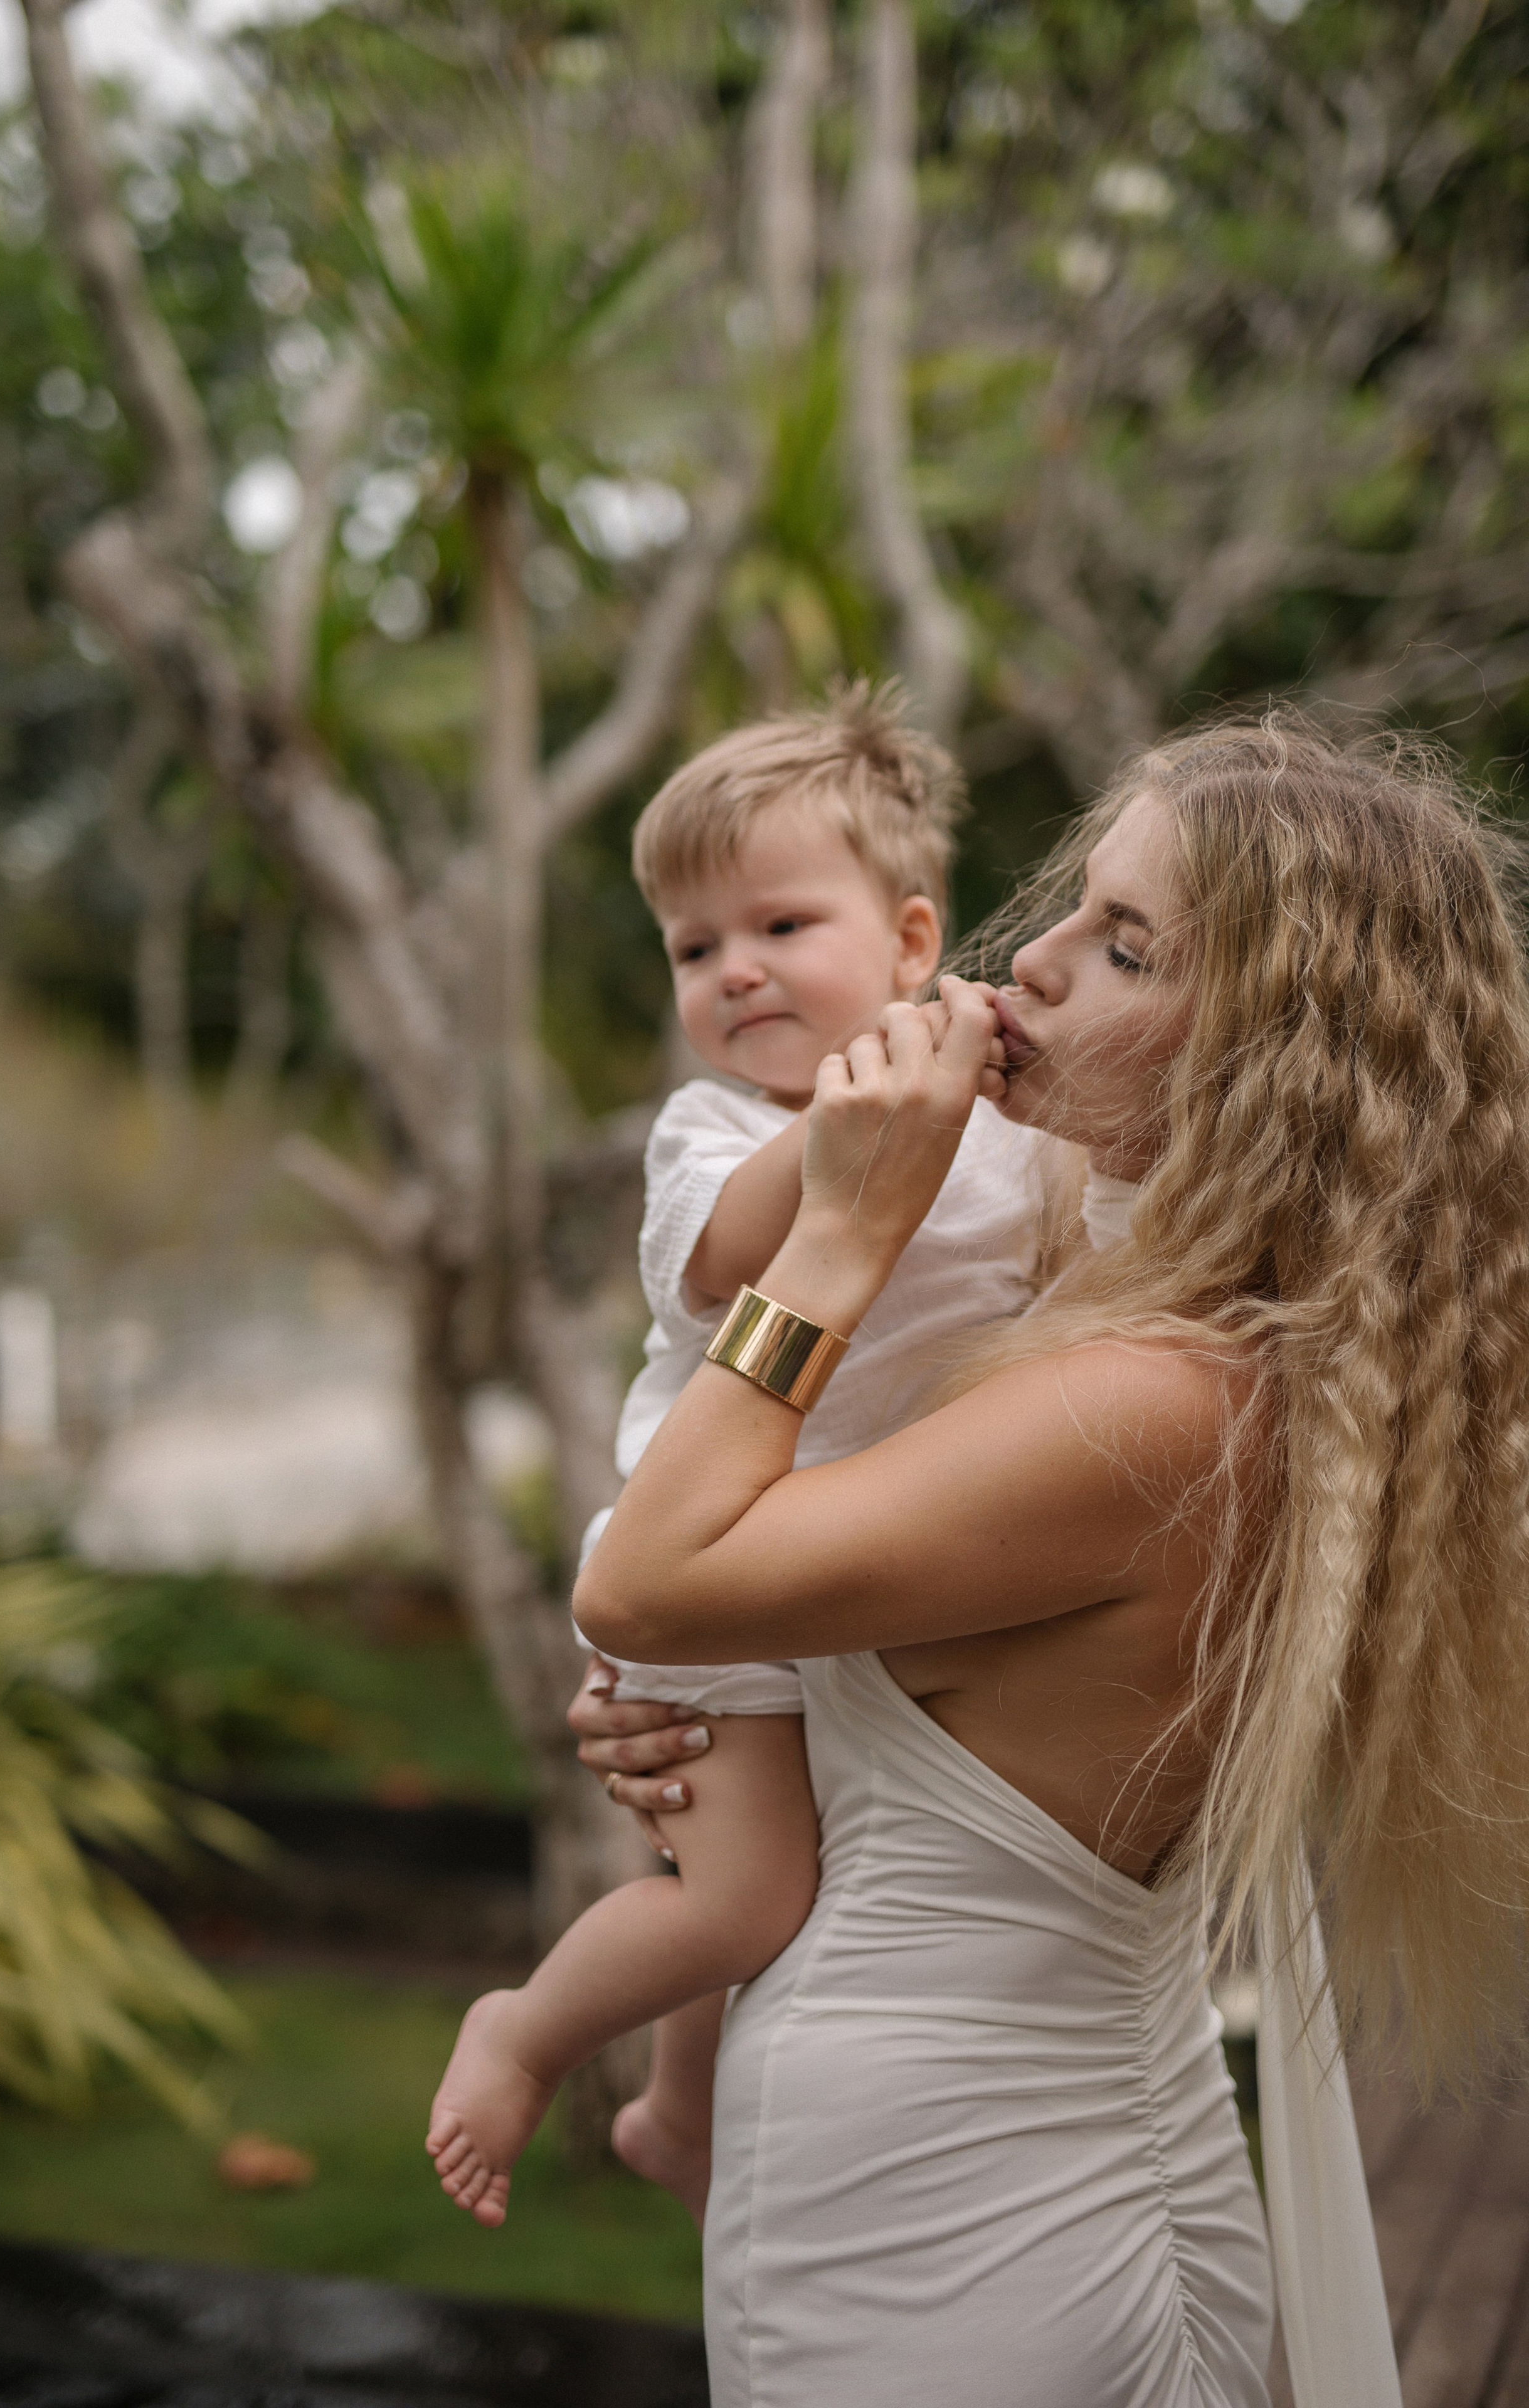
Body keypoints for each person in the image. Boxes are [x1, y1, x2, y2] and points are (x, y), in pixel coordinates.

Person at [571, 721, 1529, 2408]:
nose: (1039, 965)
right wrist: (700, 1715)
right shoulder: (1222, 1350)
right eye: (1077, 913)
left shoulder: (1148, 1409)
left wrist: (843, 1233)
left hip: (937, 2222)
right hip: (1091, 2160)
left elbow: (646, 1582)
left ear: (1269, 1057)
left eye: (1127, 945)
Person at [426, 686, 1054, 2228]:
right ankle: (526, 2028)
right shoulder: (710, 1135)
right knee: (747, 1893)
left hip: (864, 1573)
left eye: (779, 924)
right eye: (695, 949)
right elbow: (713, 1262)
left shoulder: (1019, 1134)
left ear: (912, 943)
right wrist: (871, 1106)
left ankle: (678, 2113)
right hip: (707, 1568)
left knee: (796, 1893)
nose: (737, 972)